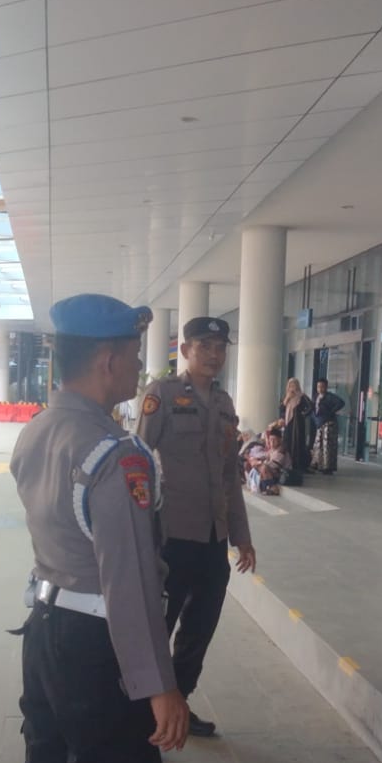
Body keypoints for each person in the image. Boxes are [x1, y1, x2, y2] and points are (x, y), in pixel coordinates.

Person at [5, 293, 190, 763]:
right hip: (98, 645)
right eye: (135, 356)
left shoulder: (38, 430)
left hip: (45, 628)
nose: (139, 368)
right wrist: (160, 685)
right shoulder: (117, 455)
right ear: (108, 360)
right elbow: (131, 582)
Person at [137, 316, 256, 738]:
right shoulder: (163, 394)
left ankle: (180, 705)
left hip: (212, 539)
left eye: (220, 347)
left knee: (199, 629)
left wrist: (241, 537)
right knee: (159, 626)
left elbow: (229, 476)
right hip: (172, 535)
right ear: (185, 350)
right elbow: (138, 460)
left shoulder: (224, 404)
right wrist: (139, 530)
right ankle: (141, 714)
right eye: (204, 346)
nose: (214, 354)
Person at [311, 378, 346, 474]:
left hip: (329, 423)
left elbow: (341, 402)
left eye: (322, 386)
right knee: (318, 444)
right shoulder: (315, 396)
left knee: (328, 446)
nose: (320, 388)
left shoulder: (330, 396)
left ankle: (328, 467)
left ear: (326, 387)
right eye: (318, 386)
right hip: (319, 422)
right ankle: (318, 464)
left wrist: (331, 411)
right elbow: (313, 408)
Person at [282, 377, 314, 482]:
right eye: (290, 385)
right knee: (288, 442)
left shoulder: (302, 396)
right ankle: (288, 464)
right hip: (288, 424)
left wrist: (303, 414)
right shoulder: (287, 397)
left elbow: (311, 406)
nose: (292, 387)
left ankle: (298, 465)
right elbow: (282, 408)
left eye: (294, 385)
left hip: (297, 424)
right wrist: (287, 398)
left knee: (297, 443)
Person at [248, 426, 290, 494]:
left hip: (284, 474)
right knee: (255, 463)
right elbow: (264, 457)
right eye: (270, 439)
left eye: (274, 439)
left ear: (280, 440)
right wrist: (255, 461)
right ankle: (265, 487)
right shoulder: (272, 450)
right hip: (273, 472)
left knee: (263, 467)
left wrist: (259, 463)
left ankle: (273, 487)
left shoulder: (282, 450)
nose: (272, 442)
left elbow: (274, 465)